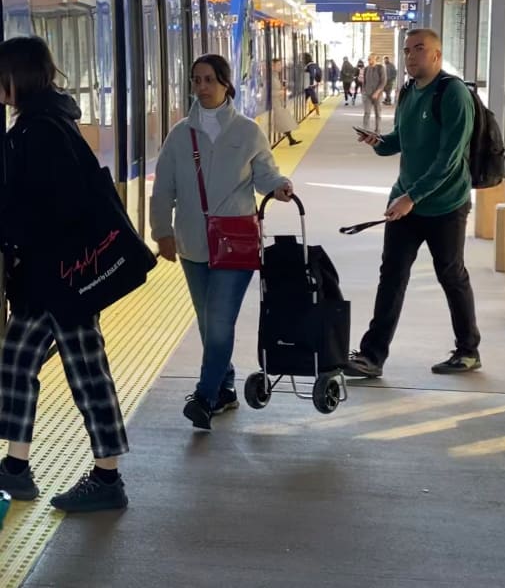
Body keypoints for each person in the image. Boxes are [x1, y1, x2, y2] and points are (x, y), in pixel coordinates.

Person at [0, 36, 129, 513]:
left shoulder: (44, 130)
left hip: (61, 280)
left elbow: (58, 206)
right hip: (44, 279)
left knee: (88, 374)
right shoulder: (39, 124)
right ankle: (16, 467)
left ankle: (108, 477)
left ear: (20, 75)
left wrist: (16, 234)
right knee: (15, 363)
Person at [150, 53, 293, 431]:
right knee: (207, 322)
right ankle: (226, 388)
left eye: (209, 79)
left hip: (236, 243)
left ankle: (204, 396)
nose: (201, 87)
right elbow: (164, 187)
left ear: (226, 83)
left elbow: (265, 173)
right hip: (193, 245)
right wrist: (161, 231)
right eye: (196, 80)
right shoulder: (180, 134)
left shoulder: (247, 131)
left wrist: (279, 187)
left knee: (218, 322)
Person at [344, 28, 481, 378]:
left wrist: (412, 197)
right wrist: (378, 141)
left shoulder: (452, 94)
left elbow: (449, 159)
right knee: (391, 277)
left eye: (419, 49)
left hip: (446, 205)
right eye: (407, 50)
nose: (410, 56)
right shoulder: (407, 91)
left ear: (436, 54)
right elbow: (399, 141)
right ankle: (372, 356)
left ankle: (468, 351)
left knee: (451, 275)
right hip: (405, 202)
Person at [271, 58, 302, 146]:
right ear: (273, 66)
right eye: (278, 65)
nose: (281, 67)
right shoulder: (270, 78)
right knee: (284, 120)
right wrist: (280, 92)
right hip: (274, 104)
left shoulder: (276, 76)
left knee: (284, 120)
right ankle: (291, 139)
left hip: (278, 103)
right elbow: (268, 93)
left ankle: (291, 139)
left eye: (281, 65)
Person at [362, 53, 386, 133]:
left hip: (378, 95)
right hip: (367, 94)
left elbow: (383, 82)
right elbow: (364, 82)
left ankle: (377, 129)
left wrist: (377, 92)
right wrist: (364, 91)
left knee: (378, 113)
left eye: (371, 59)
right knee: (366, 112)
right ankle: (365, 130)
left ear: (375, 59)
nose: (369, 61)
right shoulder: (366, 69)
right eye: (368, 59)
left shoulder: (380, 68)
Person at [302, 52, 321, 117]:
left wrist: (310, 83)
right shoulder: (315, 65)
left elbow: (312, 74)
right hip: (312, 84)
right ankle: (304, 111)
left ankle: (318, 113)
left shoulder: (309, 66)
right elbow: (319, 73)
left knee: (313, 98)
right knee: (306, 97)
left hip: (309, 85)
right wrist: (318, 81)